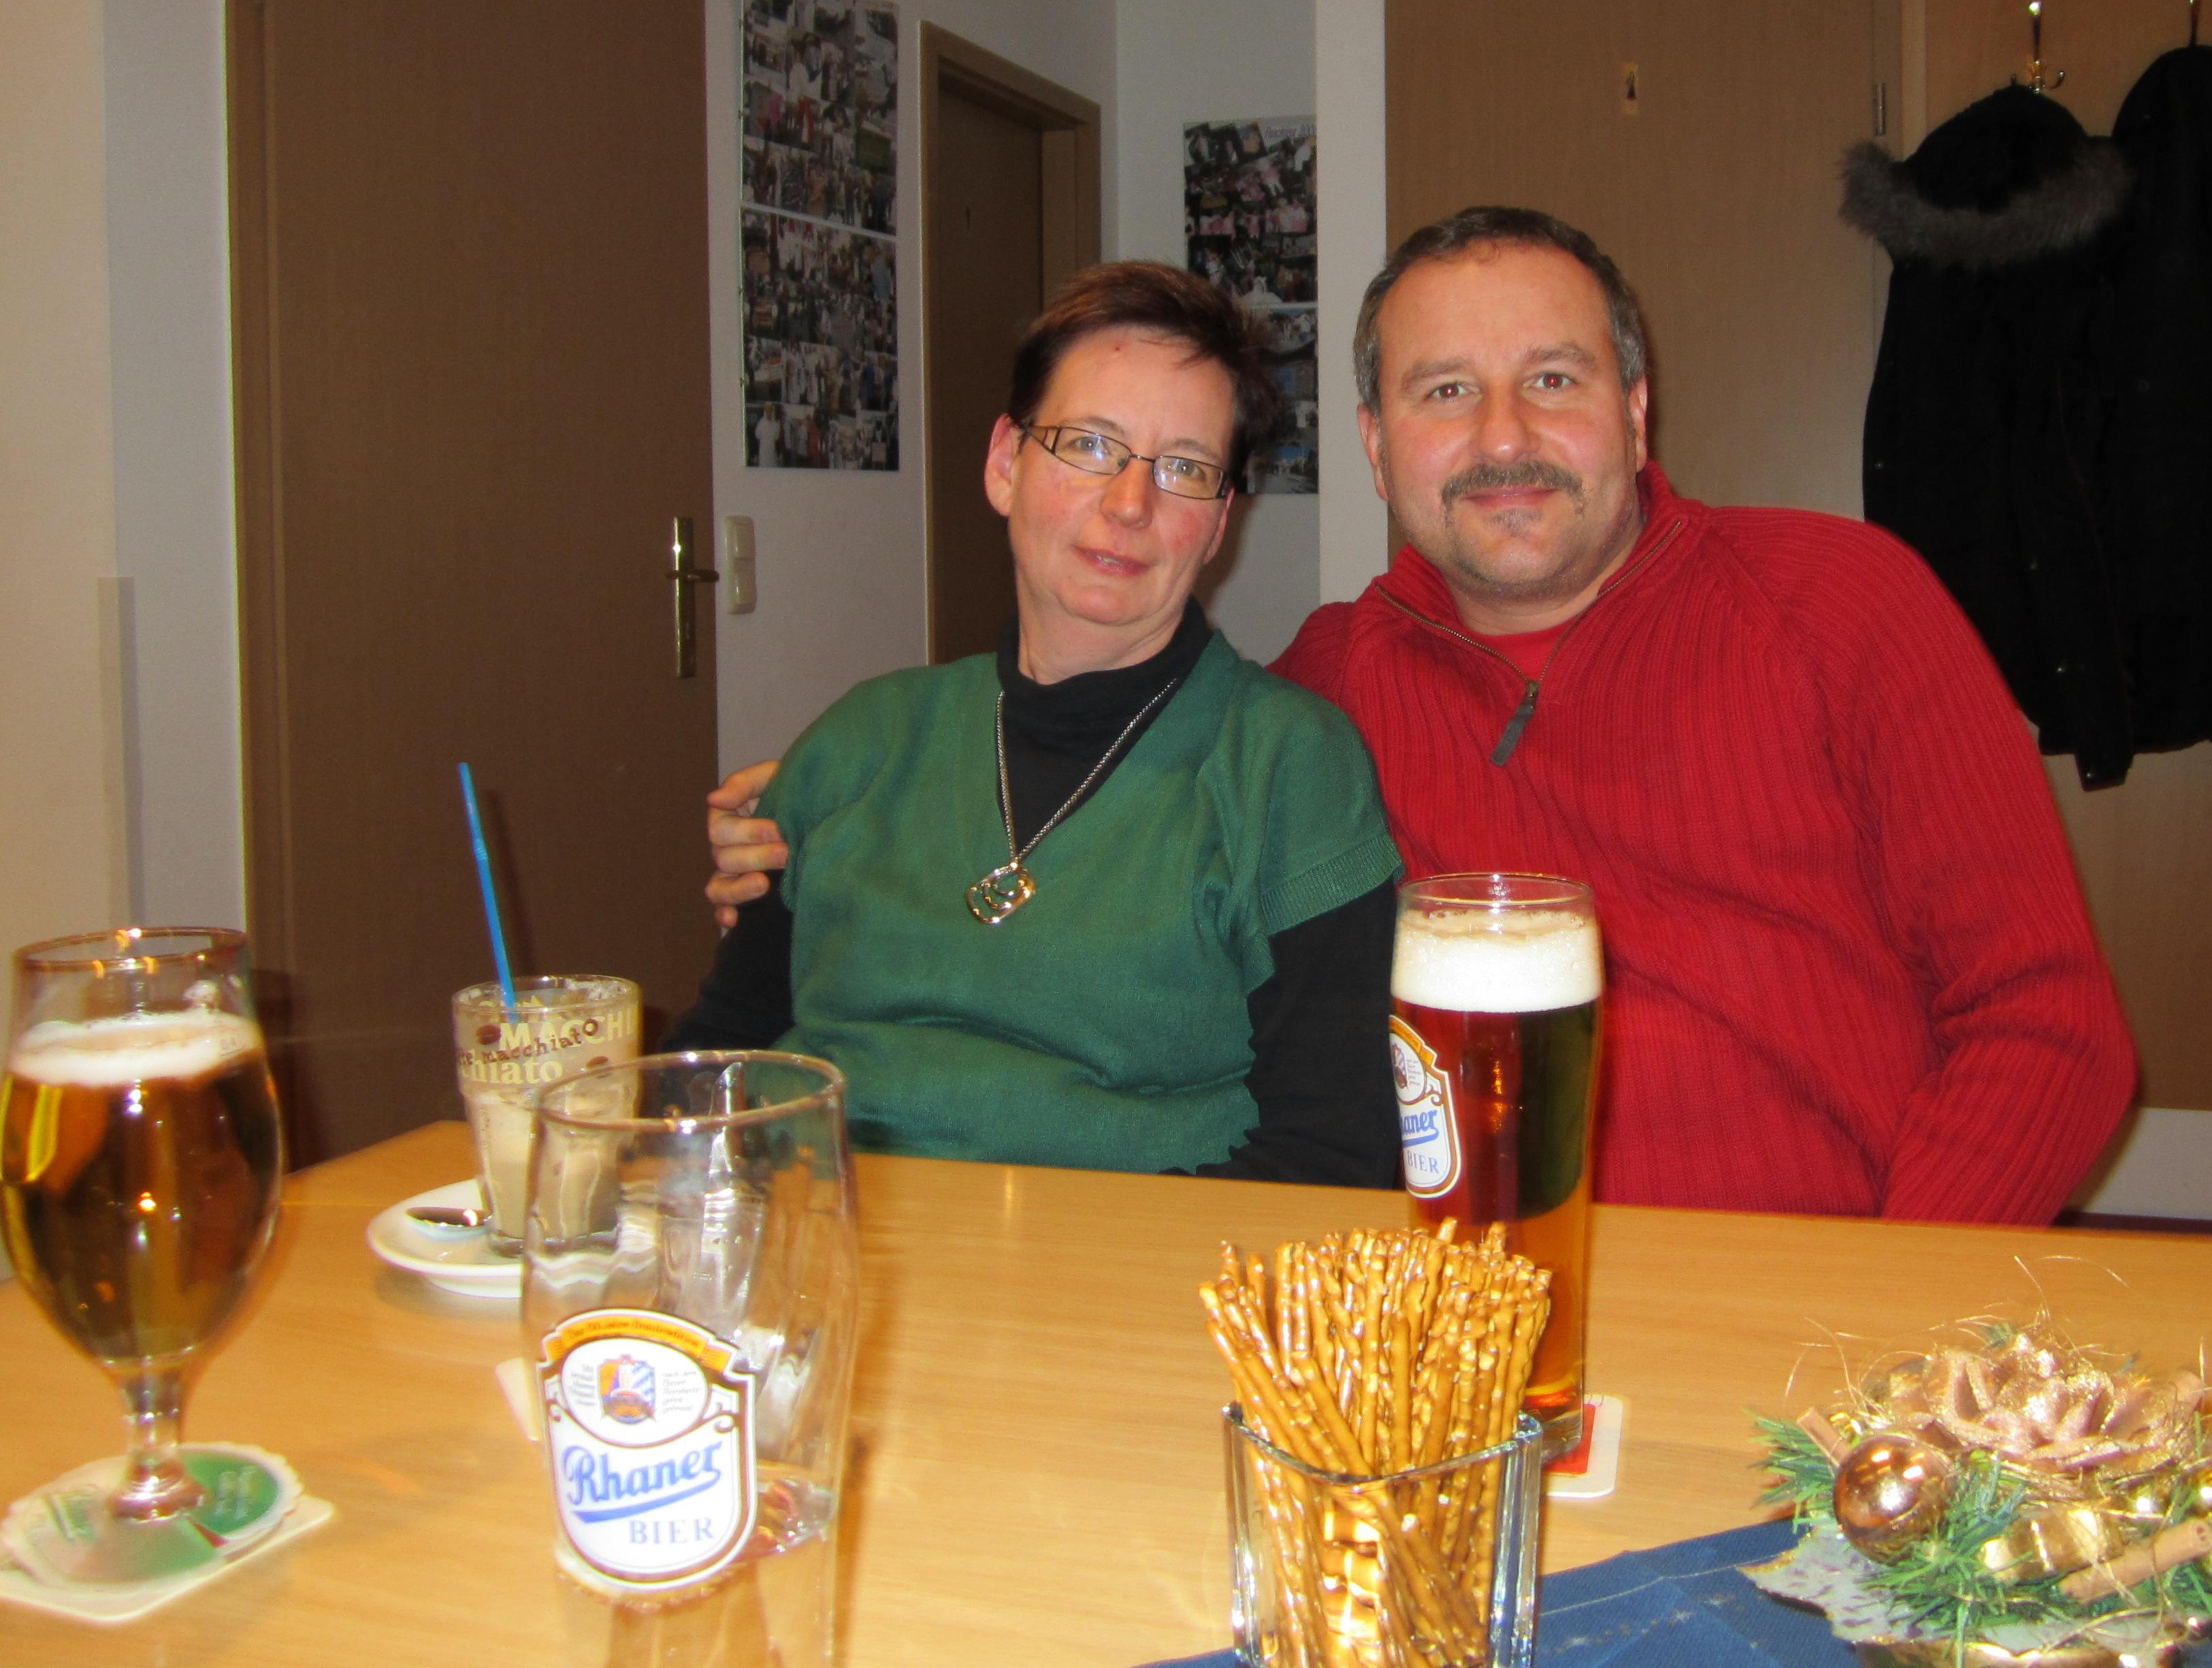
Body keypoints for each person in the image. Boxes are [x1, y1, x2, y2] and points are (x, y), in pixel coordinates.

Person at [711, 210, 2135, 1226]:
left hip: (1824, 1282)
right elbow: (1122, 767)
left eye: (1553, 381)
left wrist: (1889, 1304)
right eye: (1445, 392)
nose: (1503, 436)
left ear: (1638, 412)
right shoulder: (1331, 683)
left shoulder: (1844, 603)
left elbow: (2046, 1023)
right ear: (1379, 446)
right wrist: (829, 814)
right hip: (1471, 1302)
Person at [674, 261, 1401, 1186]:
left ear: (1219, 523)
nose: (1129, 504)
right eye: (1090, 445)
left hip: (1121, 1260)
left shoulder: (1288, 767)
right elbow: (725, 1056)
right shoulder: (860, 741)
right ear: (1004, 465)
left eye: (1183, 468)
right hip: (816, 1233)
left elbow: (1333, 1153)